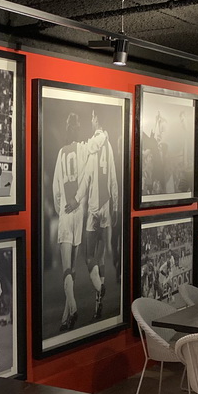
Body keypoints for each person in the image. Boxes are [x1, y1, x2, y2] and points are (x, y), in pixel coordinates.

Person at [79, 111, 118, 321]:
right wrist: (116, 207)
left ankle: (100, 288)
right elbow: (113, 178)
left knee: (88, 257)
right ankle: (98, 305)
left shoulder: (96, 142)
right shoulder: (110, 147)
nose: (91, 120)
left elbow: (87, 176)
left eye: (92, 117)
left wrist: (77, 199)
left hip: (94, 207)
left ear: (96, 118)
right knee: (101, 258)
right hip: (107, 206)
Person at [51, 111, 85, 332]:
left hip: (66, 213)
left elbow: (55, 190)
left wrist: (62, 207)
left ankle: (72, 308)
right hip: (79, 213)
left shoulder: (61, 153)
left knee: (66, 268)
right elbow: (87, 180)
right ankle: (66, 319)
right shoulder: (83, 150)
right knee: (72, 268)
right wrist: (78, 201)